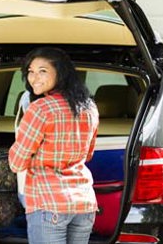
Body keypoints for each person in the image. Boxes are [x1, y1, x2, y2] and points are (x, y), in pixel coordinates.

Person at [8, 47, 99, 244]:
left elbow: (16, 163)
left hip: (48, 203)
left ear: (61, 72)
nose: (34, 78)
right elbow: (88, 154)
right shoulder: (90, 108)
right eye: (30, 72)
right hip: (84, 203)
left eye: (43, 71)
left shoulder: (40, 109)